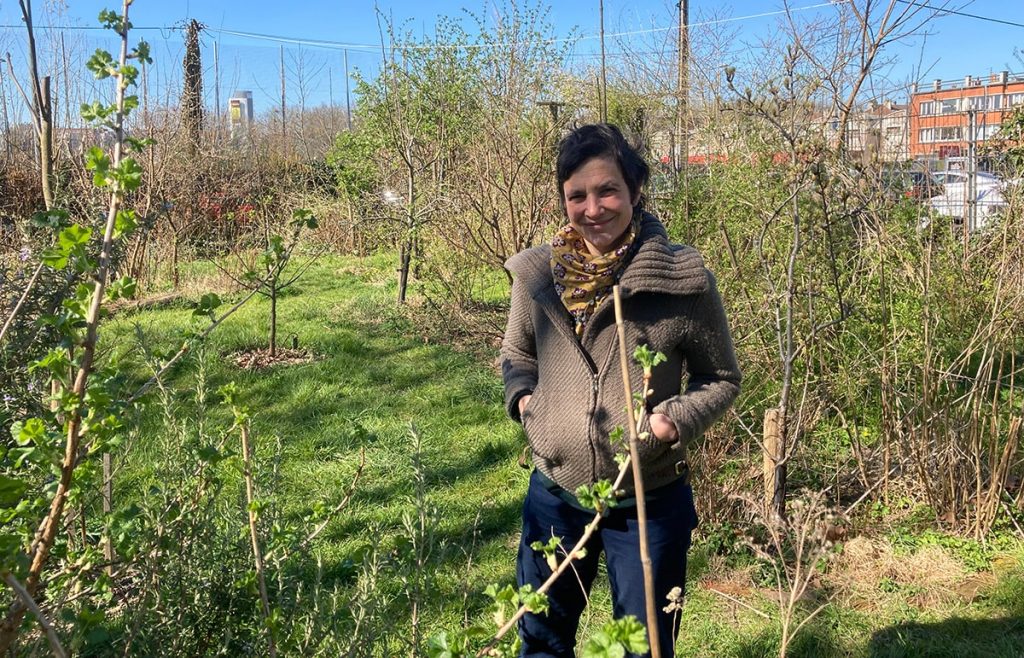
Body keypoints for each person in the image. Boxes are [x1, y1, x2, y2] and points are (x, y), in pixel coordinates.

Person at [500, 123, 741, 657]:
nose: (593, 208)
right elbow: (517, 355)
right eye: (577, 195)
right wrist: (525, 401)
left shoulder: (681, 278)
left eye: (607, 190)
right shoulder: (537, 277)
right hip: (555, 497)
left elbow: (721, 378)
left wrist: (670, 420)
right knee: (541, 636)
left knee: (646, 646)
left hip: (648, 501)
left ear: (635, 190)